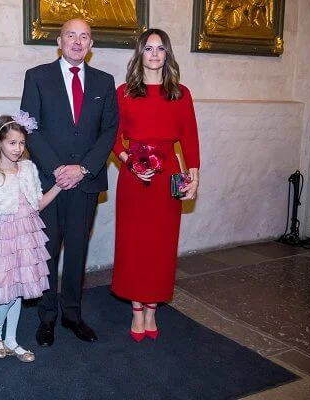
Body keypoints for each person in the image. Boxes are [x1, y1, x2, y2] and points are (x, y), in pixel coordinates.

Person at [20, 18, 119, 346]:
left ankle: (73, 315)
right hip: (48, 182)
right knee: (46, 250)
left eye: (85, 37)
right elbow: (29, 127)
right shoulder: (37, 77)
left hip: (86, 183)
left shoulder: (105, 83)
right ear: (59, 42)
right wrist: (58, 168)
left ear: (91, 45)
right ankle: (46, 317)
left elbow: (109, 131)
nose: (78, 42)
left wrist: (84, 168)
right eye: (71, 36)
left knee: (77, 249)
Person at [111, 28, 200, 342]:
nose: (154, 54)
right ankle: (137, 310)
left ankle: (153, 308)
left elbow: (189, 138)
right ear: (140, 54)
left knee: (161, 245)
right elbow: (112, 136)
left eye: (160, 49)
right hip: (134, 177)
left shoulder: (180, 93)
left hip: (168, 179)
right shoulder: (124, 92)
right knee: (134, 244)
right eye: (148, 48)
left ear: (167, 55)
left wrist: (194, 177)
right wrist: (128, 161)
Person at [0, 112, 62, 362]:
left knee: (19, 292)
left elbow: (36, 204)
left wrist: (58, 186)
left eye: (22, 143)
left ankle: (11, 339)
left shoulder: (28, 169)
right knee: (6, 293)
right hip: (2, 242)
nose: (18, 148)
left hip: (25, 238)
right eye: (12, 143)